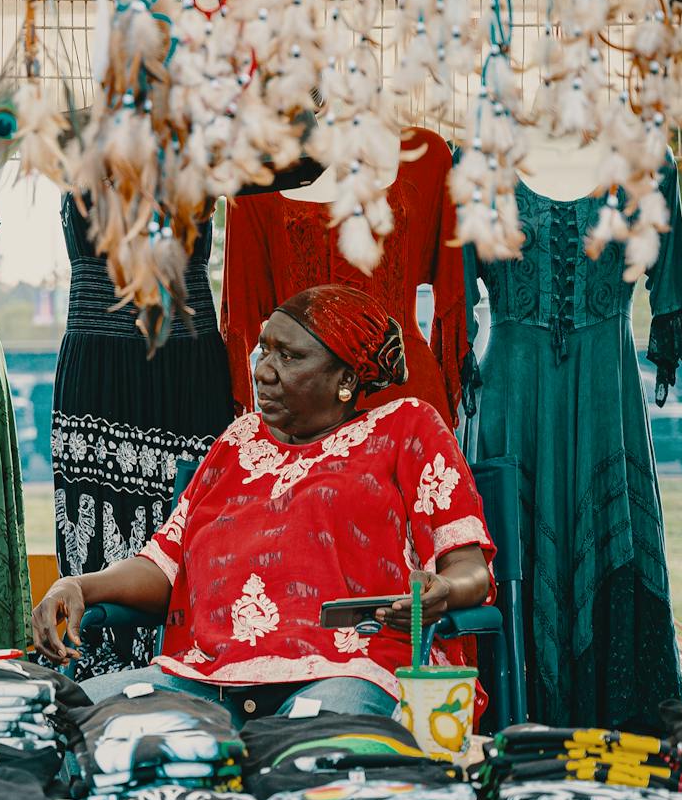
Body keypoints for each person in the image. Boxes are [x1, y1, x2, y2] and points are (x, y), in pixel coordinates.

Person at [32, 285, 495, 724]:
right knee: (65, 716)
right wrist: (78, 585)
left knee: (311, 751)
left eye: (289, 356)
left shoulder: (406, 427)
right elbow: (164, 564)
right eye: (265, 349)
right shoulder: (238, 441)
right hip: (208, 678)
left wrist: (444, 591)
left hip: (349, 669)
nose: (263, 369)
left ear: (346, 379)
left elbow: (471, 568)